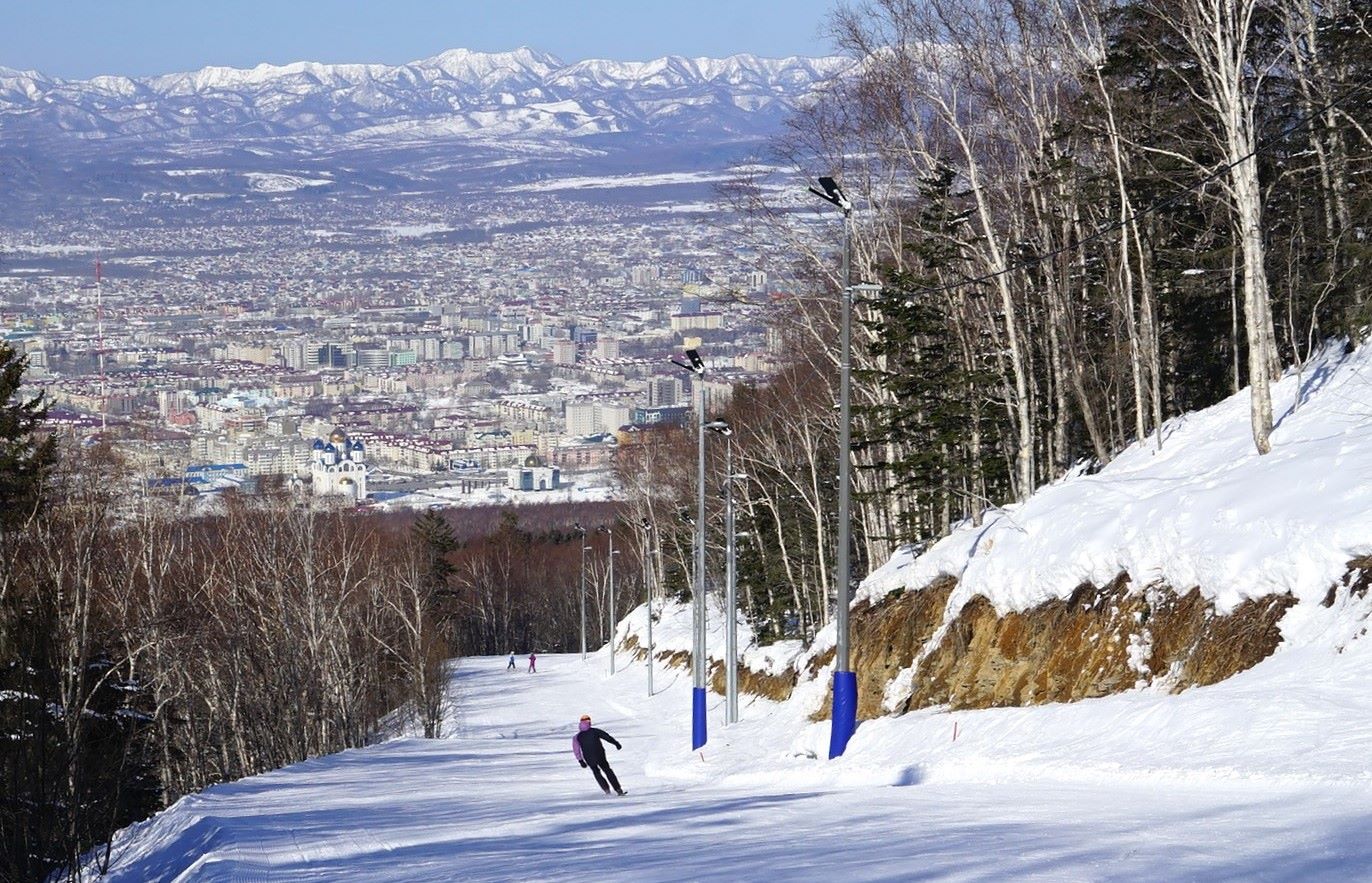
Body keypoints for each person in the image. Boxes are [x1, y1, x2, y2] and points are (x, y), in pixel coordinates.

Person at [572, 714, 625, 796]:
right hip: (600, 755)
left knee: (596, 772)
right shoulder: (595, 731)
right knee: (607, 770)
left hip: (588, 758)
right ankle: (618, 790)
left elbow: (576, 750)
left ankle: (606, 790)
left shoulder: (577, 737)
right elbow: (606, 737)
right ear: (589, 722)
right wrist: (616, 743)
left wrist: (580, 760)